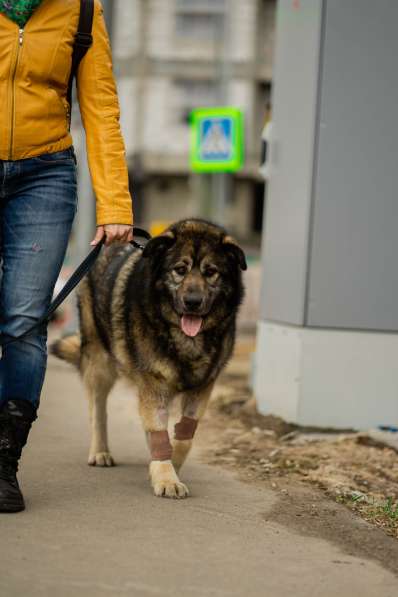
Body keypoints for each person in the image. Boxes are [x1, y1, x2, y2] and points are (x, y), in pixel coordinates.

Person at [0, 0, 134, 512]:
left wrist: (115, 203)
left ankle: (5, 460)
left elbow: (101, 108)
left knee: (24, 319)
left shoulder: (80, 10)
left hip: (45, 175)